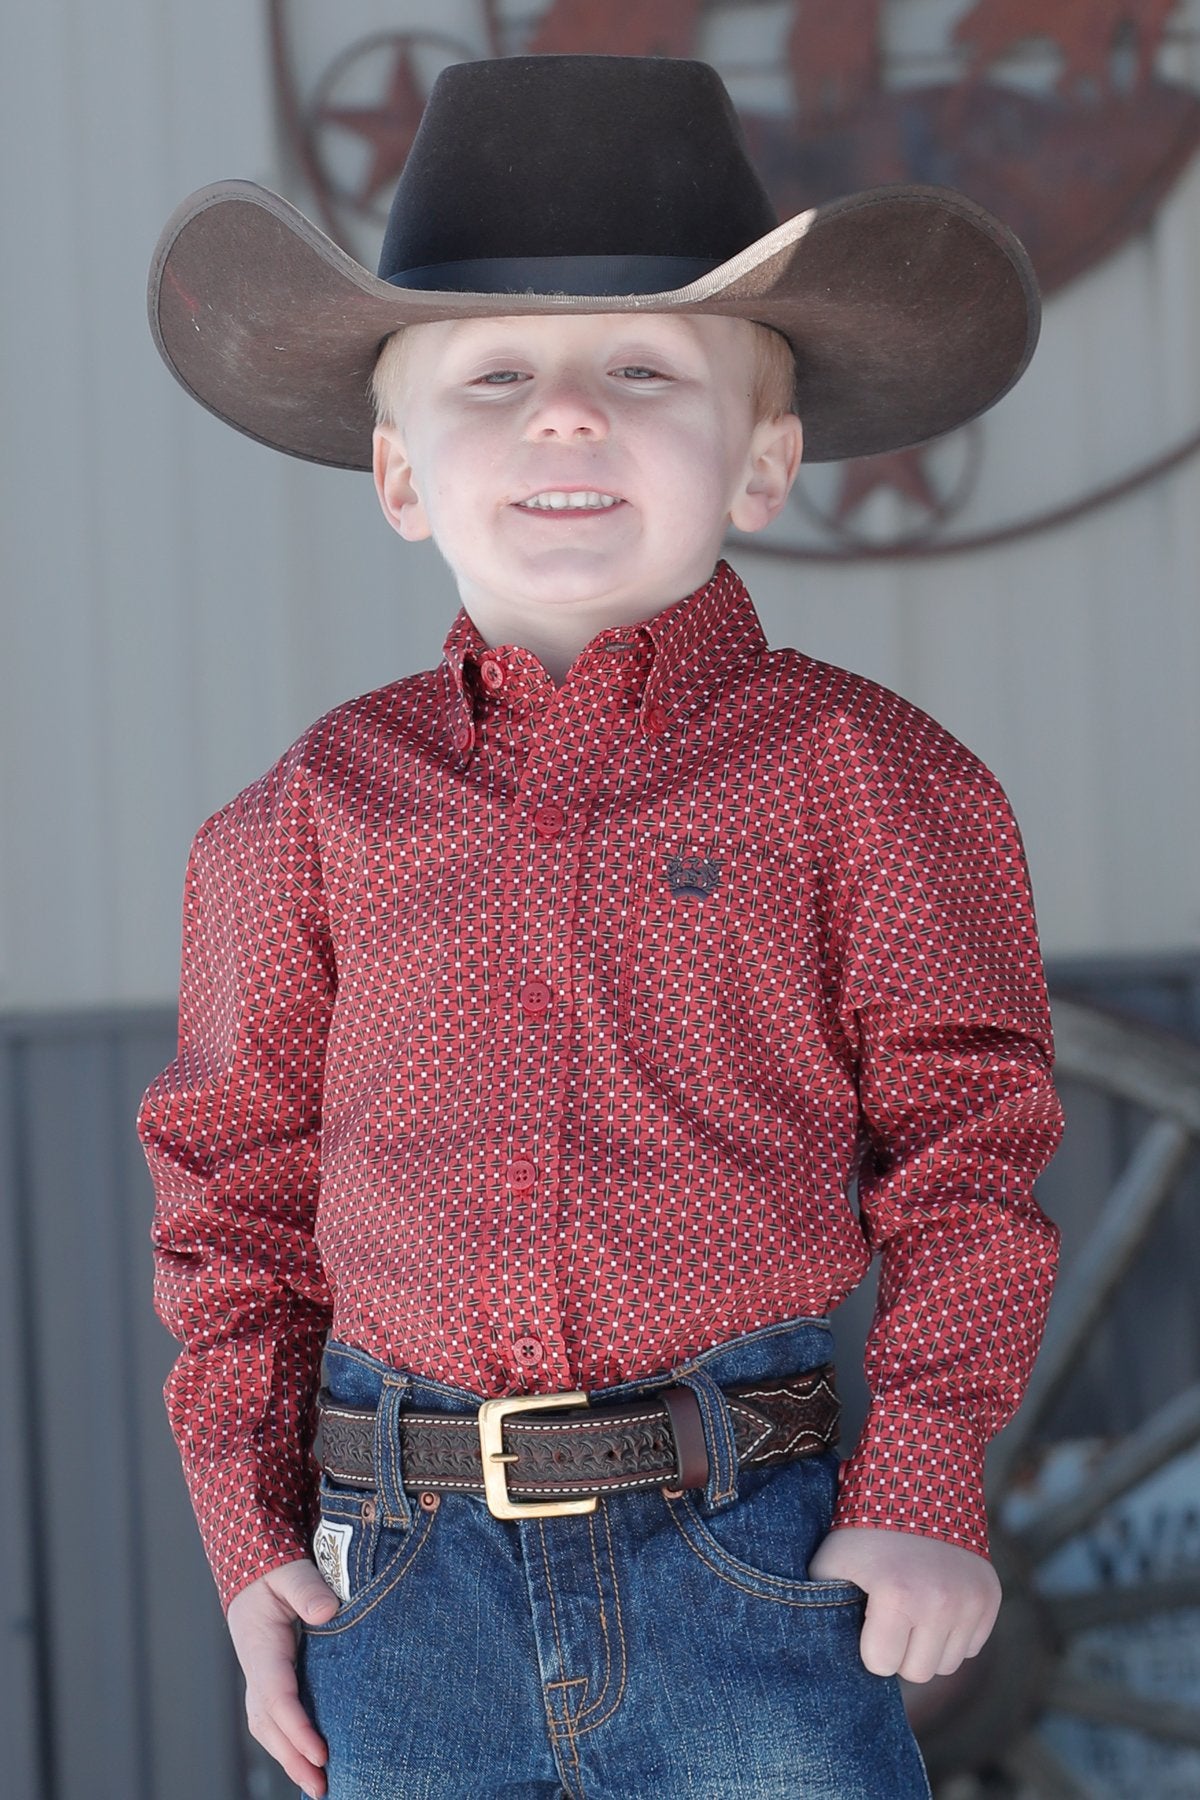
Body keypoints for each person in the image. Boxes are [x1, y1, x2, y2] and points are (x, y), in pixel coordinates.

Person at [139, 54, 1064, 1800]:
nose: (566, 415)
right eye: (496, 378)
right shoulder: (307, 816)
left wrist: (925, 1480)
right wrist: (244, 1526)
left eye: (643, 369)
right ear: (401, 476)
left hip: (746, 1553)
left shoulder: (869, 779)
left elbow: (968, 1152)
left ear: (767, 460)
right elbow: (234, 1183)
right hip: (400, 1582)